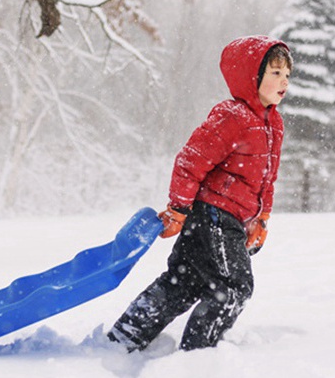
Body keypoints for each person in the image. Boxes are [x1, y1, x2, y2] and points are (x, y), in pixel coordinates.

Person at [107, 35, 293, 352]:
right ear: (253, 75)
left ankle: (124, 337)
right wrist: (179, 208)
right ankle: (197, 354)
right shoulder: (232, 116)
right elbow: (190, 161)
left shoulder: (273, 123)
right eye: (275, 73)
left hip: (227, 219)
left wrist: (261, 217)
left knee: (185, 281)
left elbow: (267, 179)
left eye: (287, 75)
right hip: (214, 216)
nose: (284, 81)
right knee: (234, 286)